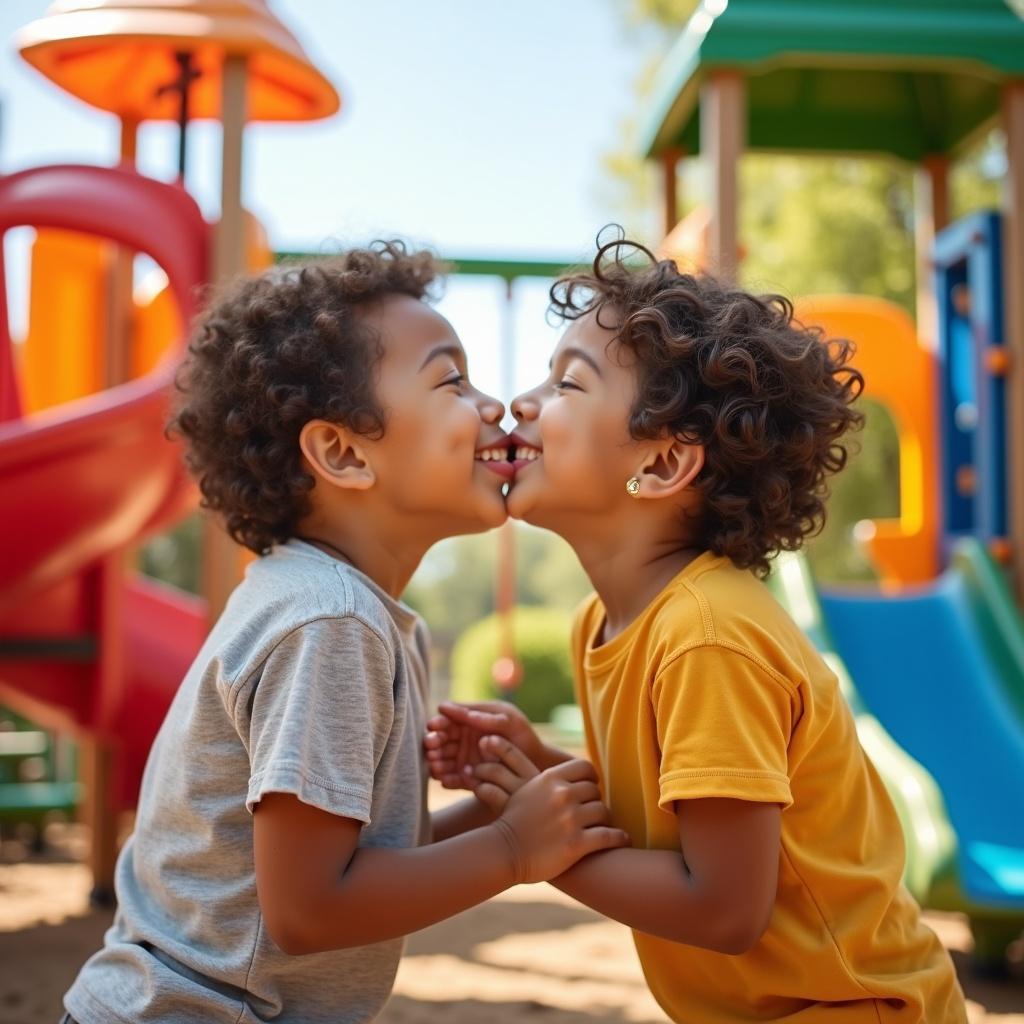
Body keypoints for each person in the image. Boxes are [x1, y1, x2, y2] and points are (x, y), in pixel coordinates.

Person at [61, 243, 628, 1024]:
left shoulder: (335, 604)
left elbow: (353, 865)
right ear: (342, 452)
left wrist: (504, 813)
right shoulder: (331, 622)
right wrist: (511, 852)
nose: (492, 404)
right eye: (449, 379)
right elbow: (310, 909)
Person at [426, 235, 967, 1023]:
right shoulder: (605, 622)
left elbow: (721, 908)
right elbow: (669, 827)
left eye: (568, 383)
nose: (523, 404)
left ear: (661, 466)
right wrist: (538, 766)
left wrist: (542, 854)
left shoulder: (708, 637)